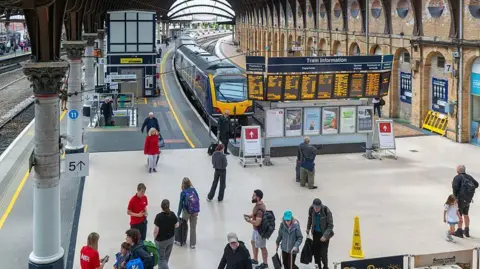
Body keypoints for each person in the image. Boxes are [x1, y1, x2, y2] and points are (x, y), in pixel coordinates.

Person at [452, 165, 479, 238]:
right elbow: (476, 184)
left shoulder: (457, 178)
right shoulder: (469, 177)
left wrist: (455, 199)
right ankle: (466, 231)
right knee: (466, 214)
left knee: (459, 215)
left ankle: (459, 231)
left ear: (458, 170)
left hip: (460, 199)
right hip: (468, 199)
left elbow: (455, 189)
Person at [306, 199, 334, 269]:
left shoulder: (326, 211)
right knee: (316, 253)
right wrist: (308, 228)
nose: (316, 209)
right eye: (314, 207)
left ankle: (325, 267)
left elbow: (330, 226)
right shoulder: (311, 209)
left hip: (324, 235)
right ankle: (318, 267)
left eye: (317, 207)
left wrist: (325, 236)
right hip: (315, 234)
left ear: (320, 206)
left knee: (323, 254)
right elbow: (310, 218)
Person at [244, 190, 268, 269]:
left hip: (259, 231)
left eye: (254, 195)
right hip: (255, 230)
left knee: (262, 247)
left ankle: (265, 264)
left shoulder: (260, 209)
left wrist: (249, 220)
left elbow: (257, 222)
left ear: (258, 197)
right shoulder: (257, 205)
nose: (252, 197)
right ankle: (255, 259)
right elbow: (254, 213)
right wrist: (250, 216)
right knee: (253, 242)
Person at [154, 199, 178, 269]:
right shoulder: (172, 214)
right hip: (171, 239)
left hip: (161, 241)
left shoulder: (159, 216)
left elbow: (156, 230)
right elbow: (177, 225)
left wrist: (155, 238)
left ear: (161, 206)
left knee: (161, 259)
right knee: (166, 257)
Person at [177, 177, 199, 249]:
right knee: (193, 228)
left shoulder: (183, 193)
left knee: (184, 226)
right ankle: (193, 244)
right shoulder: (194, 190)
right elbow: (197, 199)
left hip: (186, 211)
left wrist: (178, 213)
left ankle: (183, 240)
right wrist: (196, 211)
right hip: (194, 212)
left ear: (183, 184)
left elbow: (180, 204)